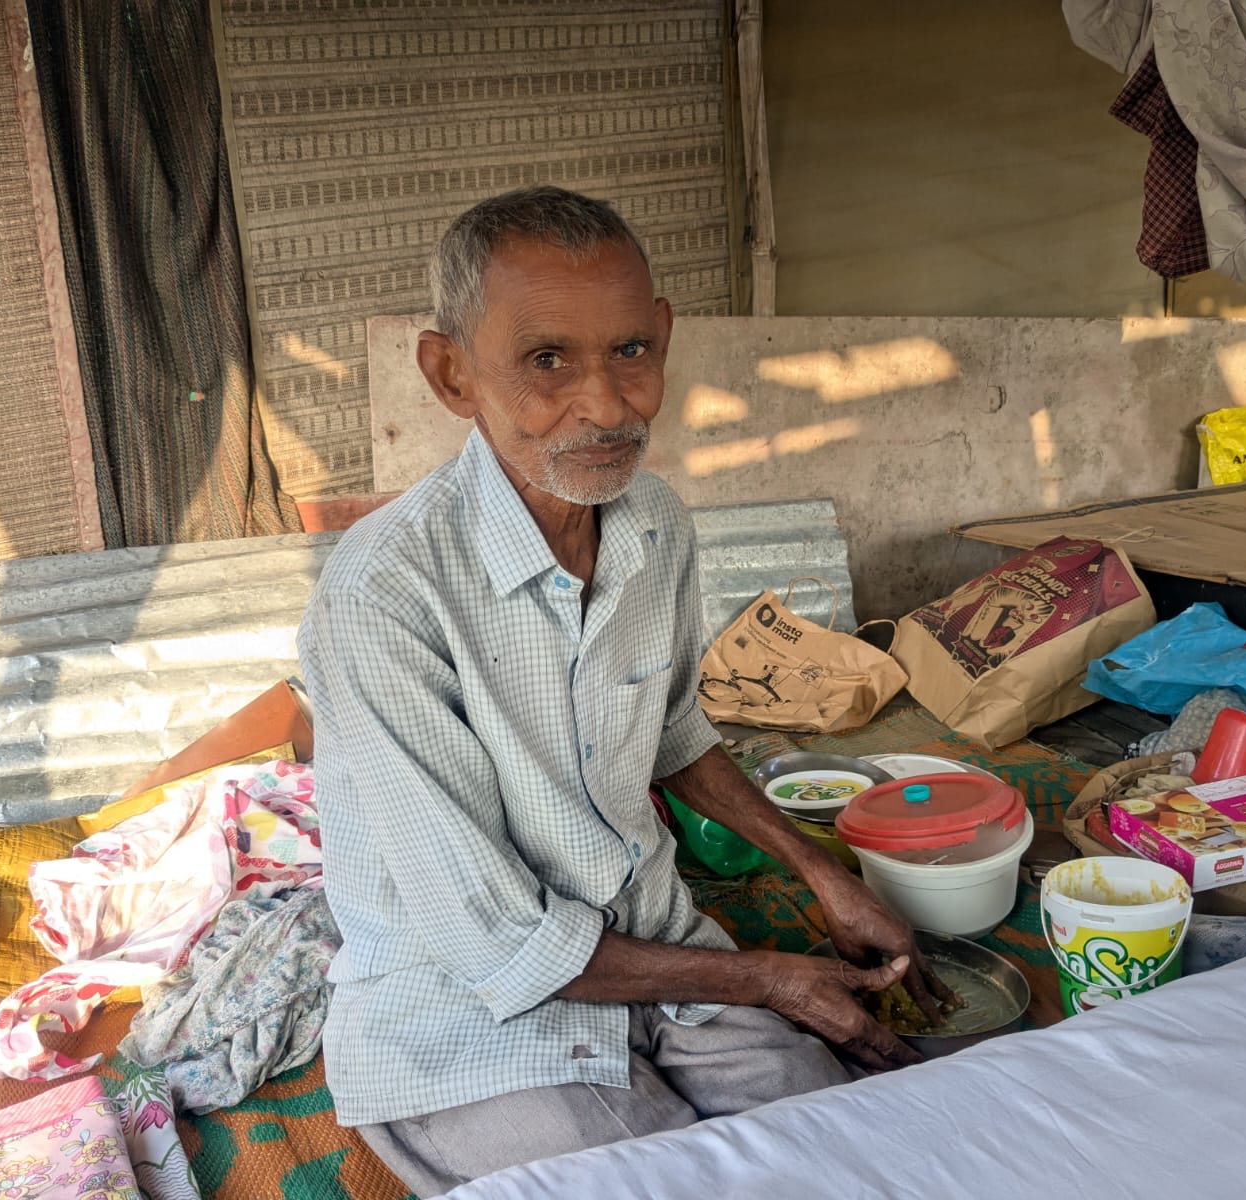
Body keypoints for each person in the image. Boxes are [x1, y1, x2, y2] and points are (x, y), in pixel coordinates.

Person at [297, 185, 951, 1195]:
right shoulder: (387, 592)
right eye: (546, 360)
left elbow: (673, 728)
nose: (603, 407)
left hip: (657, 946)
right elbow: (492, 940)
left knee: (853, 1155)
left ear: (663, 337)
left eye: (629, 353)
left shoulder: (652, 525)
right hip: (468, 1005)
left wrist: (821, 871)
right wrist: (764, 976)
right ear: (451, 374)